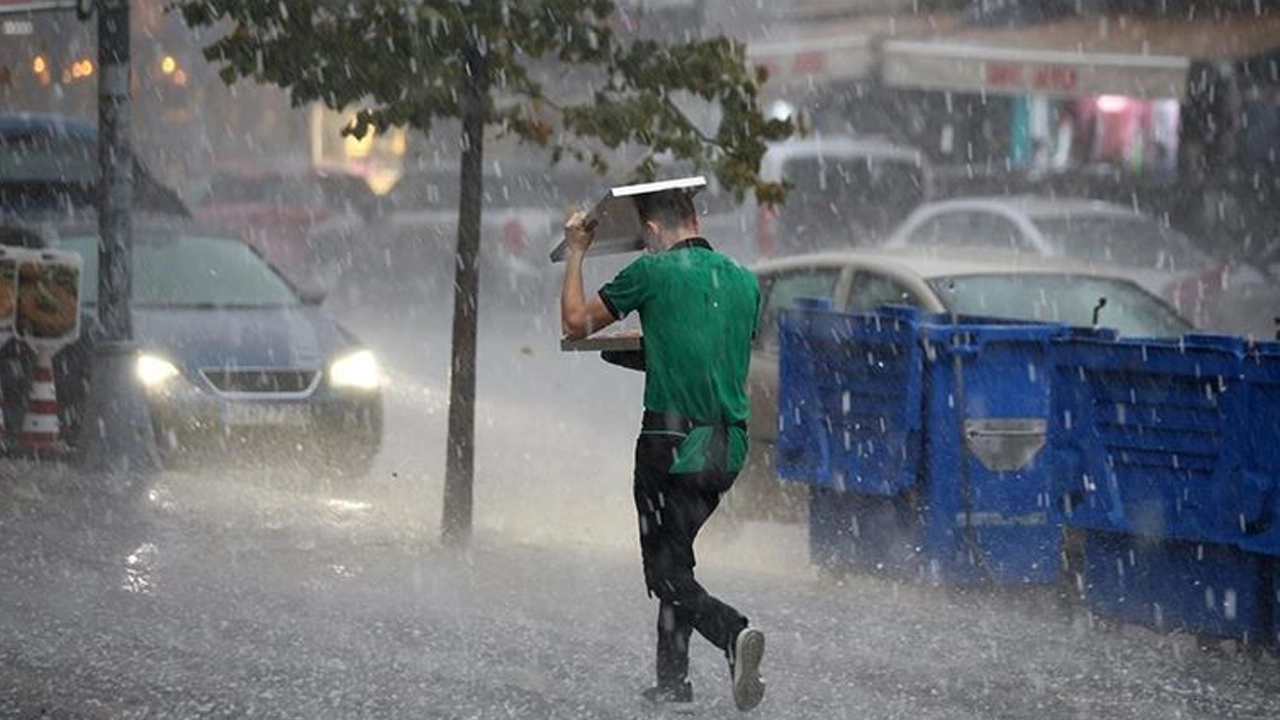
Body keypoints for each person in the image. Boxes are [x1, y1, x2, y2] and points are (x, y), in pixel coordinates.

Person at [560, 187, 766, 713]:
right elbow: (708, 353)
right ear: (695, 217)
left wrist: (578, 250)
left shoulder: (651, 273)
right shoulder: (744, 281)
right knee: (677, 558)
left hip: (670, 445)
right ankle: (673, 683)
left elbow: (575, 322)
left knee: (665, 573)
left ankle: (731, 632)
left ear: (651, 231)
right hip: (727, 449)